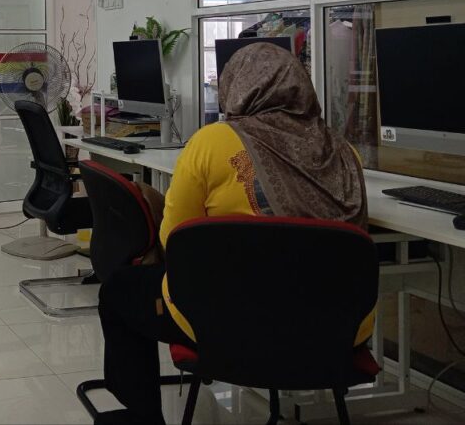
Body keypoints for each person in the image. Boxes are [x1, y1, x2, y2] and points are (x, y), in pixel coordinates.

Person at [97, 43, 370, 424]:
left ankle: (143, 418)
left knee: (118, 290)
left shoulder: (213, 141)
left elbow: (173, 239)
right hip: (334, 332)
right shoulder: (344, 154)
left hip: (221, 325)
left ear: (237, 88)